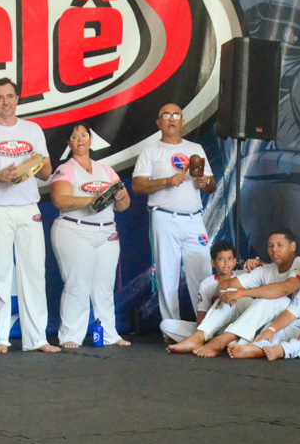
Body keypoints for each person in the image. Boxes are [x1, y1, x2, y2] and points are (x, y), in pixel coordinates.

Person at [0, 77, 58, 354]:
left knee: (34, 274)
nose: (5, 102)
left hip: (28, 208)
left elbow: (47, 172)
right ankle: (1, 338)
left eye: (10, 96)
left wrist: (35, 165)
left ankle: (37, 339)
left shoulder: (33, 130)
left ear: (17, 99)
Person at [132, 103, 216, 327]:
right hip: (164, 217)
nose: (171, 119)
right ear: (159, 122)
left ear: (182, 122)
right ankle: (171, 328)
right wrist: (167, 181)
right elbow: (138, 186)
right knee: (167, 275)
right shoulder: (151, 151)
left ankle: (206, 327)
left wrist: (205, 182)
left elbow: (212, 185)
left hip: (194, 218)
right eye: (166, 115)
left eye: (176, 115)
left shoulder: (195, 148)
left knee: (203, 273)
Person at [49, 123, 131, 348]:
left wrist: (120, 197)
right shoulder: (66, 169)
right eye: (75, 137)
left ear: (91, 140)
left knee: (104, 286)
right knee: (77, 285)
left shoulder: (106, 170)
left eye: (84, 135)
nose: (80, 140)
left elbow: (123, 205)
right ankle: (70, 336)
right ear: (69, 143)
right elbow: (60, 200)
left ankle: (109, 334)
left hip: (106, 232)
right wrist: (94, 199)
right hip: (74, 230)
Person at [167, 228, 300, 356]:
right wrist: (226, 294)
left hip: (291, 322)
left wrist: (240, 293)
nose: (274, 250)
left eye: (279, 245)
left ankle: (220, 341)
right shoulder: (267, 269)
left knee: (274, 298)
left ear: (292, 246)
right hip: (261, 322)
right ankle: (199, 337)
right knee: (232, 291)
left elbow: (284, 289)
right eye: (270, 246)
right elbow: (225, 285)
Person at [159, 240, 249, 343]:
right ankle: (213, 341)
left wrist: (259, 263)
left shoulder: (243, 276)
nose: (226, 263)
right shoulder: (206, 284)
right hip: (214, 328)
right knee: (166, 325)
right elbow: (201, 314)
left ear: (234, 261)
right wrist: (202, 331)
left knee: (232, 293)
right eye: (221, 259)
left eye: (230, 259)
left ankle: (214, 341)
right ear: (213, 262)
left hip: (236, 326)